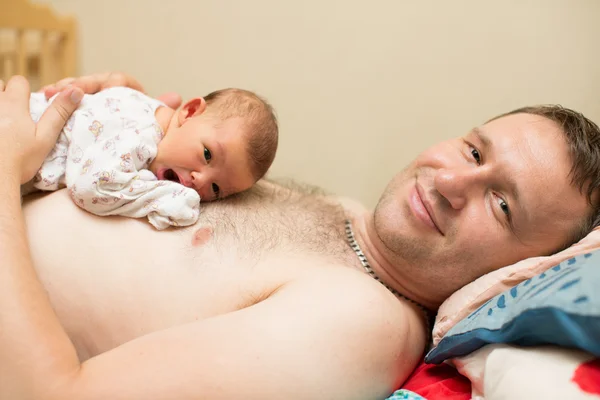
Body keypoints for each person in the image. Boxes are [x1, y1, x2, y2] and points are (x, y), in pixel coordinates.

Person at [0, 71, 599, 400]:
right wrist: (112, 116)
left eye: (501, 204)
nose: (452, 182)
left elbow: (51, 393)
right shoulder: (344, 214)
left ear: (522, 271)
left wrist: (4, 173)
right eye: (474, 149)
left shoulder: (363, 325)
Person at [23, 85, 278, 229]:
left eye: (216, 188)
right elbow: (91, 188)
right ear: (189, 112)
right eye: (207, 154)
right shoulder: (141, 133)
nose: (199, 180)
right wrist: (164, 198)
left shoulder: (151, 125)